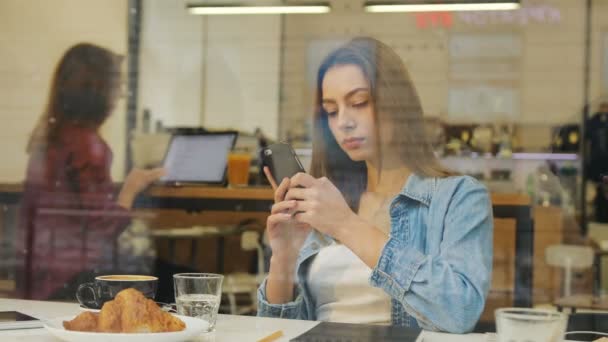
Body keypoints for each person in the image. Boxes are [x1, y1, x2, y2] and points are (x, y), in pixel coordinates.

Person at [257, 37, 493, 333]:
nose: (343, 122)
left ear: (397, 103)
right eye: (331, 111)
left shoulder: (458, 197)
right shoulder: (328, 202)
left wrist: (345, 224)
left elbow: (459, 311)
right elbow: (276, 331)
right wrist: (284, 257)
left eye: (359, 103)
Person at [17, 43, 164, 300]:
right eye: (116, 87)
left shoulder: (49, 138)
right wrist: (130, 189)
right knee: (168, 280)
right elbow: (101, 229)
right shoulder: (87, 145)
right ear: (97, 91)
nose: (120, 96)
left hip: (37, 278)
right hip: (73, 280)